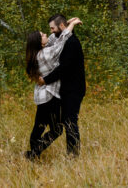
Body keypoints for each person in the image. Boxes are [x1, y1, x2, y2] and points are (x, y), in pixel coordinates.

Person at [24, 16, 81, 160]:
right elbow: (60, 41)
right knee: (56, 129)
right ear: (39, 42)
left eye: (50, 29)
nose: (47, 34)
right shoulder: (46, 53)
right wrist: (71, 25)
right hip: (50, 96)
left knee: (39, 125)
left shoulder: (37, 53)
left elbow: (55, 37)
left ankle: (32, 152)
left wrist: (65, 25)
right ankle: (34, 152)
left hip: (41, 96)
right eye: (43, 35)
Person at [38, 13, 86, 156]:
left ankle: (73, 155)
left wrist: (45, 80)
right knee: (60, 124)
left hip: (74, 90)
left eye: (53, 28)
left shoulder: (71, 43)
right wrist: (71, 23)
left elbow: (63, 68)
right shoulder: (63, 38)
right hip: (64, 89)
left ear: (61, 26)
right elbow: (57, 38)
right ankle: (36, 149)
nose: (51, 31)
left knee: (70, 121)